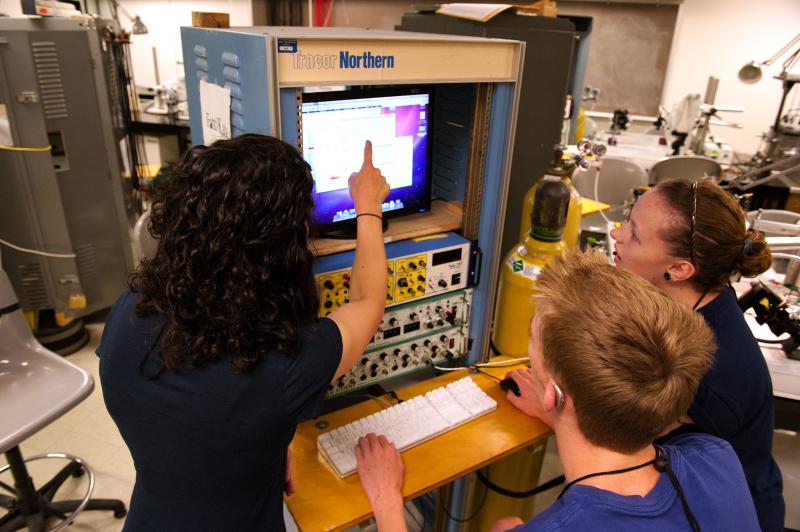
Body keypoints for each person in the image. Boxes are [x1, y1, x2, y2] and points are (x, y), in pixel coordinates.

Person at [97, 135, 389, 531]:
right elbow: (366, 302)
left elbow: (189, 425)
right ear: (283, 250)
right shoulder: (285, 364)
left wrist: (263, 445)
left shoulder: (127, 311)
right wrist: (369, 207)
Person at [356, 250, 761, 531]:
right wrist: (559, 411)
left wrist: (388, 502)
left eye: (532, 348)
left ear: (553, 392)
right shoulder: (716, 457)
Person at [610, 178, 784, 531]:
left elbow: (617, 442)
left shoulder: (710, 372)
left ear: (678, 270)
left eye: (634, 234)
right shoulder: (695, 301)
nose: (616, 234)